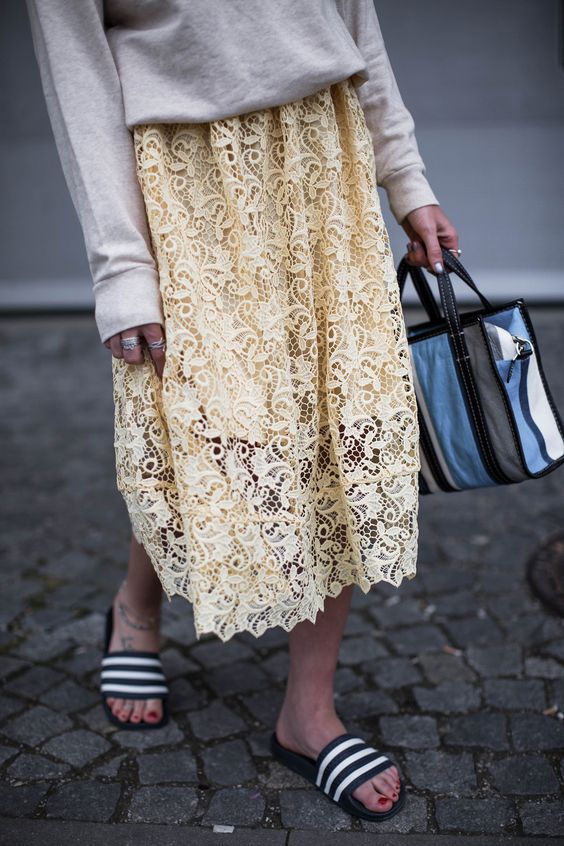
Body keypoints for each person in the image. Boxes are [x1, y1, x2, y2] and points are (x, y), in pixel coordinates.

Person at [26, 0, 458, 822]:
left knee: (332, 429)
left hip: (325, 149)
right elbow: (77, 71)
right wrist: (121, 265)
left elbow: (353, 18)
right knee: (212, 431)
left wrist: (406, 177)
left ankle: (308, 713)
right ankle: (137, 606)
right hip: (187, 175)